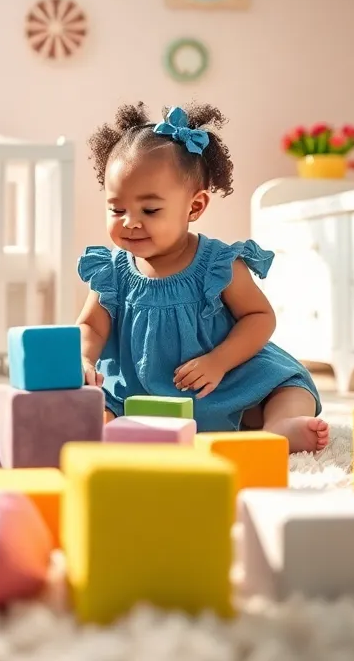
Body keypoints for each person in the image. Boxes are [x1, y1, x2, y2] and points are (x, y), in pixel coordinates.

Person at [76, 102, 329, 453]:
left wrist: (219, 361)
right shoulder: (112, 270)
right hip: (138, 385)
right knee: (93, 402)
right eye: (117, 209)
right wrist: (85, 358)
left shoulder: (217, 264)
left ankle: (280, 426)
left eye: (150, 210)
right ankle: (109, 433)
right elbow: (92, 325)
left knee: (288, 384)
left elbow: (259, 317)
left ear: (194, 207)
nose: (130, 222)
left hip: (220, 378)